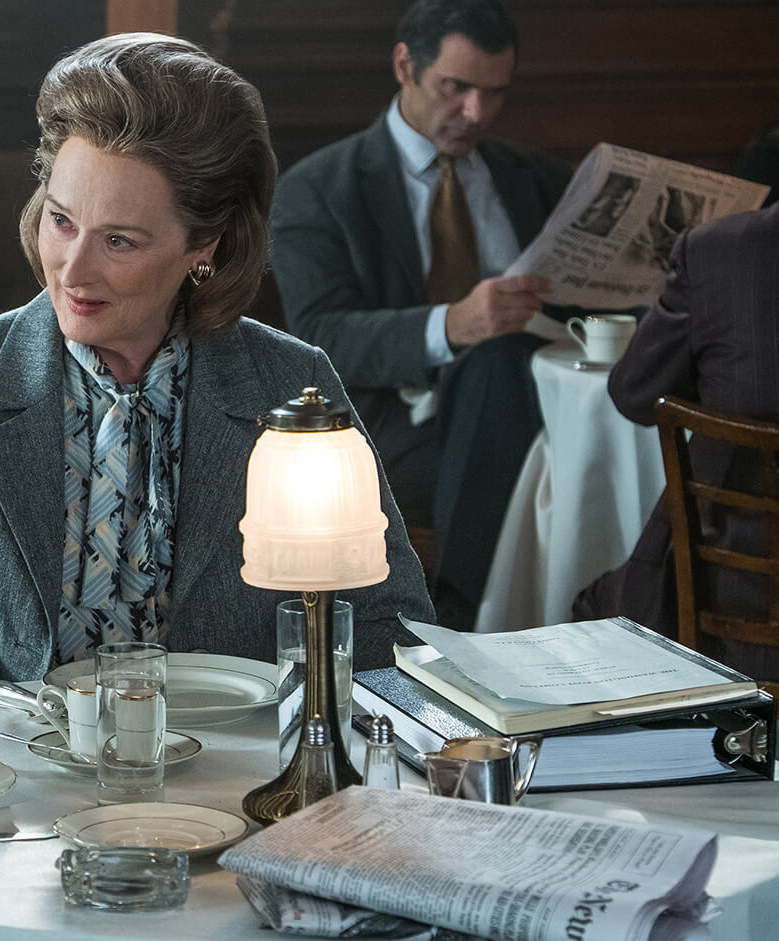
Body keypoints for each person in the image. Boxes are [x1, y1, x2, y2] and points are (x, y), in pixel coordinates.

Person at [0, 34, 432, 702]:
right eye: (61, 222)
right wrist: (2, 741)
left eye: (119, 240)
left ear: (203, 246)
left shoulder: (292, 385)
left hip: (230, 777)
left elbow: (390, 624)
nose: (73, 268)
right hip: (9, 776)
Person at [269, 0, 571, 630]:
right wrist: (451, 325)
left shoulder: (533, 178)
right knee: (494, 369)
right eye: (456, 88)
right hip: (402, 419)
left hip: (554, 410)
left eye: (494, 95)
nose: (475, 114)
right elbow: (319, 339)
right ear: (405, 65)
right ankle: (469, 624)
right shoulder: (323, 187)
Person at [573, 204, 779, 681]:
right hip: (736, 611)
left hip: (727, 613)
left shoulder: (719, 251)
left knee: (589, 609)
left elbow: (635, 395)